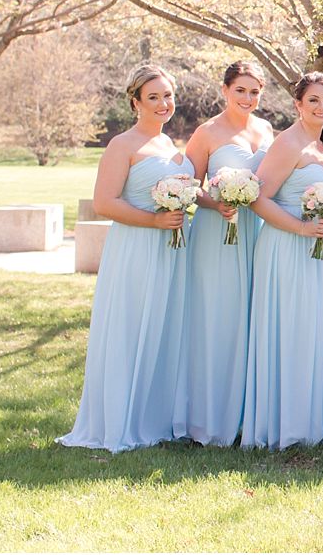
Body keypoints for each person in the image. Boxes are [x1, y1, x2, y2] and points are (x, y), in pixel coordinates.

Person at [60, 64, 192, 451]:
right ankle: (119, 422)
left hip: (170, 249)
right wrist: (154, 220)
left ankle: (154, 419)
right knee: (130, 327)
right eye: (153, 97)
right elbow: (104, 203)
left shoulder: (170, 146)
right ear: (135, 102)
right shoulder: (123, 145)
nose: (163, 103)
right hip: (135, 246)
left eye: (167, 95)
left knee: (163, 328)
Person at [241, 72, 323, 449]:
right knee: (290, 330)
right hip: (286, 247)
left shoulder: (321, 146)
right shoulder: (288, 142)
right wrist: (300, 229)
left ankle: (306, 423)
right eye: (313, 100)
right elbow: (257, 197)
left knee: (311, 332)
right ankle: (283, 426)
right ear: (298, 104)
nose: (321, 107)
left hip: (315, 251)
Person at [180, 59, 275, 446]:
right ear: (225, 90)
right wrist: (215, 203)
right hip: (217, 232)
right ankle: (209, 417)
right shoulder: (207, 133)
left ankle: (246, 417)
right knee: (218, 318)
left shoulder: (266, 129)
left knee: (252, 317)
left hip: (256, 231)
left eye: (255, 92)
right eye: (241, 90)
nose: (248, 98)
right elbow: (188, 186)